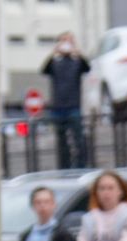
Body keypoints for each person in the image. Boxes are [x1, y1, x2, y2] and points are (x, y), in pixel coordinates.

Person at [41, 34, 90, 169]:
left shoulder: (77, 62)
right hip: (58, 107)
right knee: (61, 141)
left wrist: (77, 52)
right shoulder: (55, 63)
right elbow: (44, 70)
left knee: (78, 139)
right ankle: (64, 166)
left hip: (73, 106)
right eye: (64, 41)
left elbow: (87, 68)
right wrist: (54, 52)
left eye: (69, 41)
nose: (66, 44)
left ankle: (81, 165)